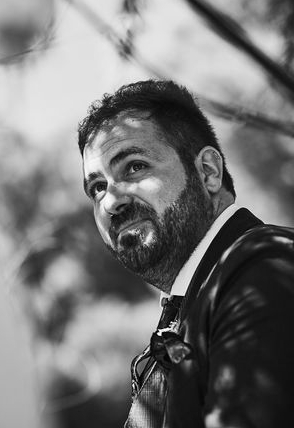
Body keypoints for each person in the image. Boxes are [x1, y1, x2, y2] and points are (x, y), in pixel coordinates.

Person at [77, 79, 294, 428]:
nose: (112, 202)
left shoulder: (263, 269)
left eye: (134, 166)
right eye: (97, 187)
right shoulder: (194, 304)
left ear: (208, 172)